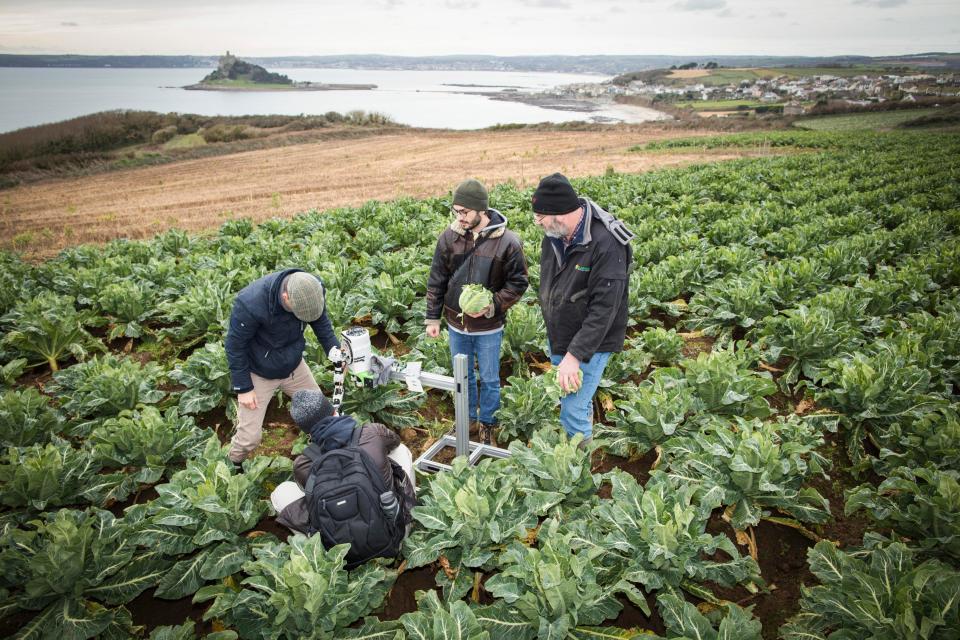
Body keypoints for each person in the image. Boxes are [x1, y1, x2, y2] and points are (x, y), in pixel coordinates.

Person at [531, 173, 633, 448]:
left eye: (540, 216)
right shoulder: (553, 236)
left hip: (592, 340)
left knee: (572, 409)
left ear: (559, 214)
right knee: (571, 397)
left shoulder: (607, 243)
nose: (537, 222)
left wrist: (574, 357)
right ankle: (580, 446)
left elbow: (604, 309)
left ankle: (578, 474)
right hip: (562, 333)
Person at [425, 178, 529, 444]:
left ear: (481, 210)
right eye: (456, 211)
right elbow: (437, 279)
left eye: (464, 212)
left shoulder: (508, 242)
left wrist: (492, 305)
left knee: (491, 378)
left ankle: (487, 424)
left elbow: (518, 283)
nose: (459, 217)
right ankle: (468, 419)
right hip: (455, 324)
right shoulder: (448, 238)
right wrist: (432, 317)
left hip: (489, 327)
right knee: (463, 376)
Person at [271, 390, 416, 563]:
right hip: (393, 537)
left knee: (282, 491)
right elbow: (395, 441)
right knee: (400, 451)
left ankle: (319, 552)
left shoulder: (302, 463)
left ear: (306, 431)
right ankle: (411, 519)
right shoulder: (372, 432)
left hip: (341, 555)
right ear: (334, 411)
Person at [225, 268, 342, 467]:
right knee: (249, 438)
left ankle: (329, 457)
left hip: (294, 365)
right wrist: (244, 388)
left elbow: (321, 323)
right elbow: (235, 346)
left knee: (324, 415)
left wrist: (335, 352)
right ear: (285, 297)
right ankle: (231, 467)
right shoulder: (251, 303)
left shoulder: (311, 288)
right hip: (259, 372)